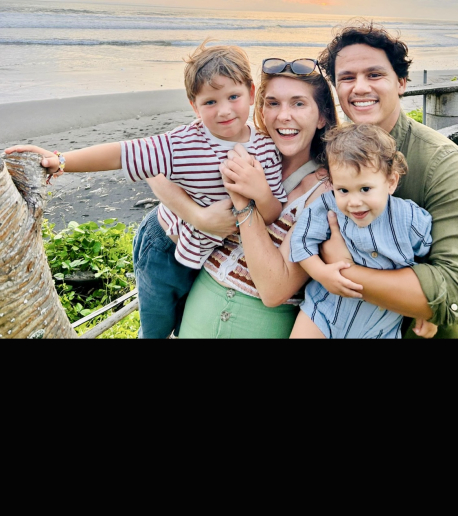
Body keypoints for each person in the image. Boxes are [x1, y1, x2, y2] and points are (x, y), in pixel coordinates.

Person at [4, 43, 287, 339]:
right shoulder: (182, 144)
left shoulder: (265, 148)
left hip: (208, 253)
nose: (224, 110)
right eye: (210, 102)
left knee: (184, 323)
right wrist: (61, 160)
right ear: (194, 106)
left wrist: (261, 194)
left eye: (233, 97)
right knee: (157, 328)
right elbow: (121, 153)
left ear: (251, 93)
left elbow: (272, 212)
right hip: (164, 246)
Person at [147, 57, 339, 338]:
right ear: (260, 108)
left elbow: (274, 290)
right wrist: (197, 216)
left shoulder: (327, 190)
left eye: (298, 103)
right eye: (273, 103)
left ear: (322, 116)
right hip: (197, 308)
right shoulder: (240, 140)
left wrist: (245, 200)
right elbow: (154, 168)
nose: (283, 115)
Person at [315, 22, 458, 339]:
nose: (360, 87)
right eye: (347, 78)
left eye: (374, 74)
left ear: (401, 82)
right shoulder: (330, 153)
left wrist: (343, 269)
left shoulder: (443, 165)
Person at [289, 122, 436, 338]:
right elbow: (301, 241)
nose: (354, 202)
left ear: (391, 182)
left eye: (365, 189)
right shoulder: (327, 207)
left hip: (379, 327)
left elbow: (430, 264)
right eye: (343, 190)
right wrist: (321, 273)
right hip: (323, 313)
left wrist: (427, 309)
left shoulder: (409, 219)